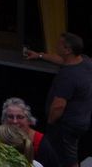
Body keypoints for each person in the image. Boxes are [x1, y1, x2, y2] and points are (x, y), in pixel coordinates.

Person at [24, 32, 92, 166]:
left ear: (67, 50)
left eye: (59, 44)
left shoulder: (68, 76)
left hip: (66, 126)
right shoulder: (85, 61)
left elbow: (58, 106)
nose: (56, 45)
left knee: (68, 159)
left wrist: (50, 123)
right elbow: (62, 60)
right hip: (82, 119)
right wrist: (40, 55)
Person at [2, 97, 61, 167]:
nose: (15, 121)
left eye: (20, 117)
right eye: (10, 117)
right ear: (4, 120)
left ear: (29, 120)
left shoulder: (41, 143)